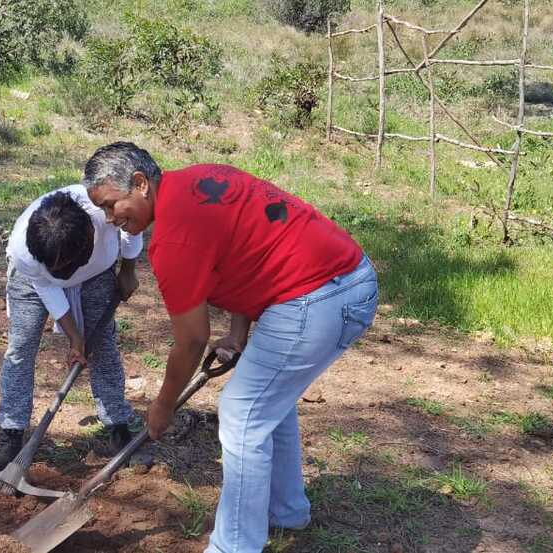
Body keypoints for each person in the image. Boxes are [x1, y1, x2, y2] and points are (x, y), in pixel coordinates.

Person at [83, 142, 378, 553]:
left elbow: (191, 340)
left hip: (320, 295)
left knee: (242, 414)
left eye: (111, 204)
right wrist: (239, 333)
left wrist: (162, 405)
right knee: (268, 401)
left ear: (140, 183)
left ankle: (234, 547)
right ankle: (286, 510)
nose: (110, 217)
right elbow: (249, 251)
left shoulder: (174, 239)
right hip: (343, 281)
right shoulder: (202, 179)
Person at [0, 187, 142, 470]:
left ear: (89, 237)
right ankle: (11, 435)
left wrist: (128, 268)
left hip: (96, 274)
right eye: (55, 269)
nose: (61, 275)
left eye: (66, 268)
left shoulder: (106, 209)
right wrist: (75, 338)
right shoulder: (25, 252)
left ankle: (119, 430)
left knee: (103, 346)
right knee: (20, 348)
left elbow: (134, 224)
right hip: (33, 282)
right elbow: (47, 286)